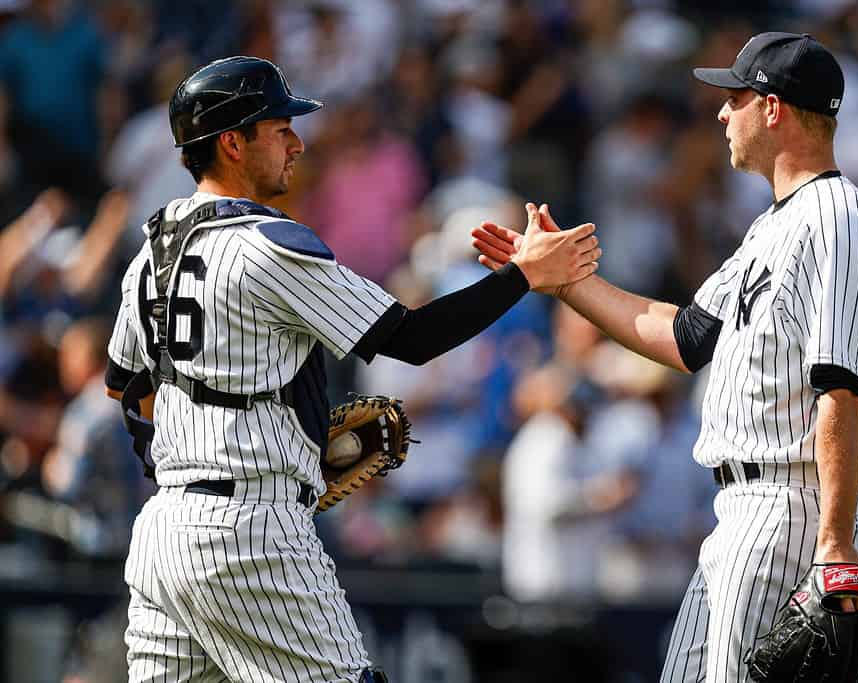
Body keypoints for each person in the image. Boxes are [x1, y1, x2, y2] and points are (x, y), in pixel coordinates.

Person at [102, 55, 599, 683]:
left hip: (163, 532)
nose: (296, 143)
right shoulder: (267, 244)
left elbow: (126, 387)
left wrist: (197, 464)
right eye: (278, 128)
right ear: (232, 143)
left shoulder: (151, 252)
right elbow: (413, 339)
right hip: (248, 533)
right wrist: (525, 275)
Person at [473, 32, 858, 682]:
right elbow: (686, 334)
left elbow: (839, 387)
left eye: (734, 98)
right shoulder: (771, 227)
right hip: (745, 509)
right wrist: (563, 281)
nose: (721, 114)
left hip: (793, 506)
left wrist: (833, 544)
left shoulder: (837, 216)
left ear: (773, 108)